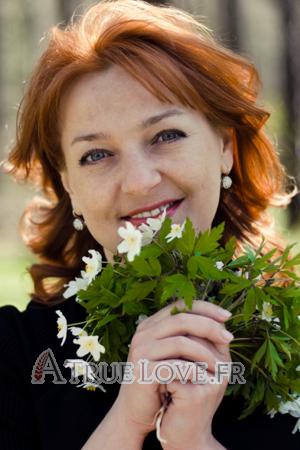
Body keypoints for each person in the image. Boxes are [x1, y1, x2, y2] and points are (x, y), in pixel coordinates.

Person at [0, 0, 299, 449]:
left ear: (225, 147)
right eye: (96, 155)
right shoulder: (17, 356)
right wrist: (127, 421)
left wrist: (192, 442)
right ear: (69, 186)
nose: (140, 182)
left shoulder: (290, 341)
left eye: (165, 136)